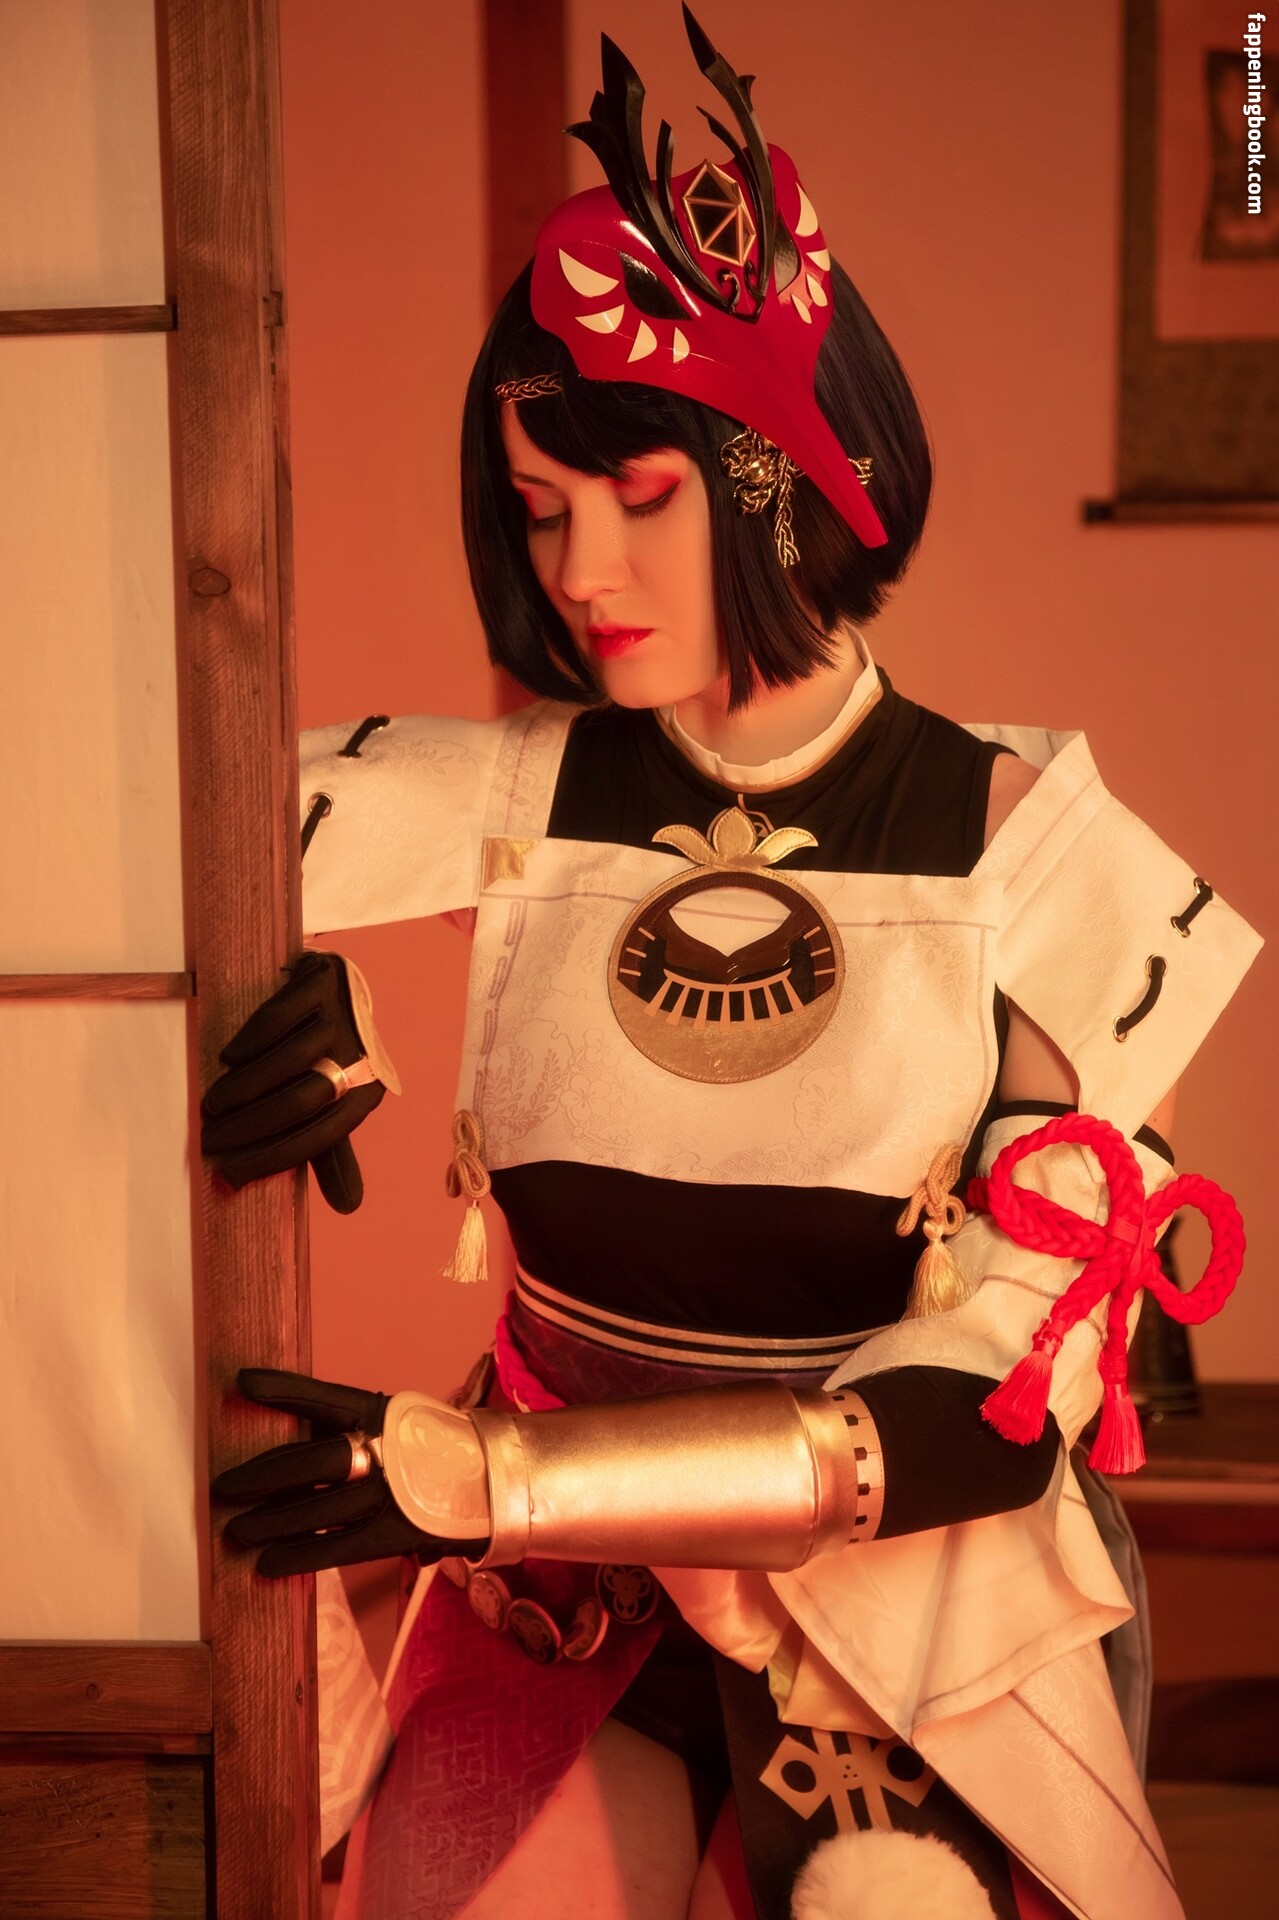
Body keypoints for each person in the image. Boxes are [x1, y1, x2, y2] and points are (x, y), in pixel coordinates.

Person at [204, 14, 1260, 1919]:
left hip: (913, 1625)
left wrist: (482, 1483)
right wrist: (269, 1008)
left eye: (640, 497)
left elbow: (988, 1410)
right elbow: (119, 861)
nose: (577, 571)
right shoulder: (504, 793)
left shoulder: (1042, 859)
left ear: (777, 472)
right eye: (542, 510)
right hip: (559, 1612)